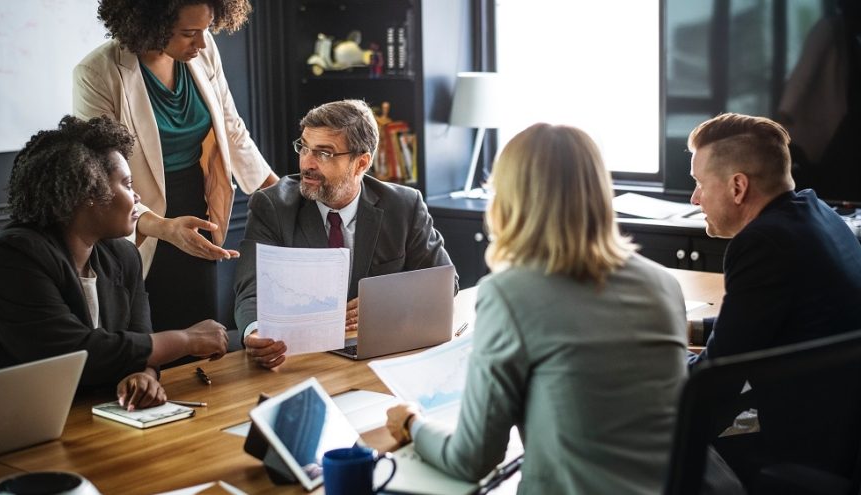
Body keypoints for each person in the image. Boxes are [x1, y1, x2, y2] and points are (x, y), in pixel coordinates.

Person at [385, 123, 688, 494]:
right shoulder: (663, 284)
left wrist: (412, 423)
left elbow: (471, 458)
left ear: (508, 199)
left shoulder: (509, 293)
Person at [0, 116, 228, 411]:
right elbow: (76, 354)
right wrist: (186, 340)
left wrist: (143, 375)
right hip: (17, 420)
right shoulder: (11, 257)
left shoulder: (123, 256)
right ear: (88, 193)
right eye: (127, 183)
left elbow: (138, 341)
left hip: (94, 414)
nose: (137, 197)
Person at [73, 0, 278, 335]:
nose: (201, 42)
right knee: (150, 334)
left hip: (195, 206)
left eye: (206, 29)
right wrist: (163, 228)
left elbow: (232, 127)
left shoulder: (203, 49)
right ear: (150, 22)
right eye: (188, 33)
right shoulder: (97, 73)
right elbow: (100, 176)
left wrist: (278, 190)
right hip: (133, 215)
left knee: (200, 326)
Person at [685, 113, 861, 483]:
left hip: (798, 439)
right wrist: (691, 329)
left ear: (737, 187)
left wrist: (655, 369)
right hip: (838, 422)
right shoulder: (818, 214)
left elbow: (718, 379)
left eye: (700, 183)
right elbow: (764, 325)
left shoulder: (763, 243)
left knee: (643, 430)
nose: (695, 197)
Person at [233, 99, 455, 369]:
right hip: (301, 359)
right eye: (304, 147)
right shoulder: (272, 206)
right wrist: (256, 332)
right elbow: (251, 289)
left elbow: (444, 283)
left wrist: (383, 305)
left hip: (378, 357)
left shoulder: (403, 206)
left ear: (361, 164)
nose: (307, 163)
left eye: (324, 153)